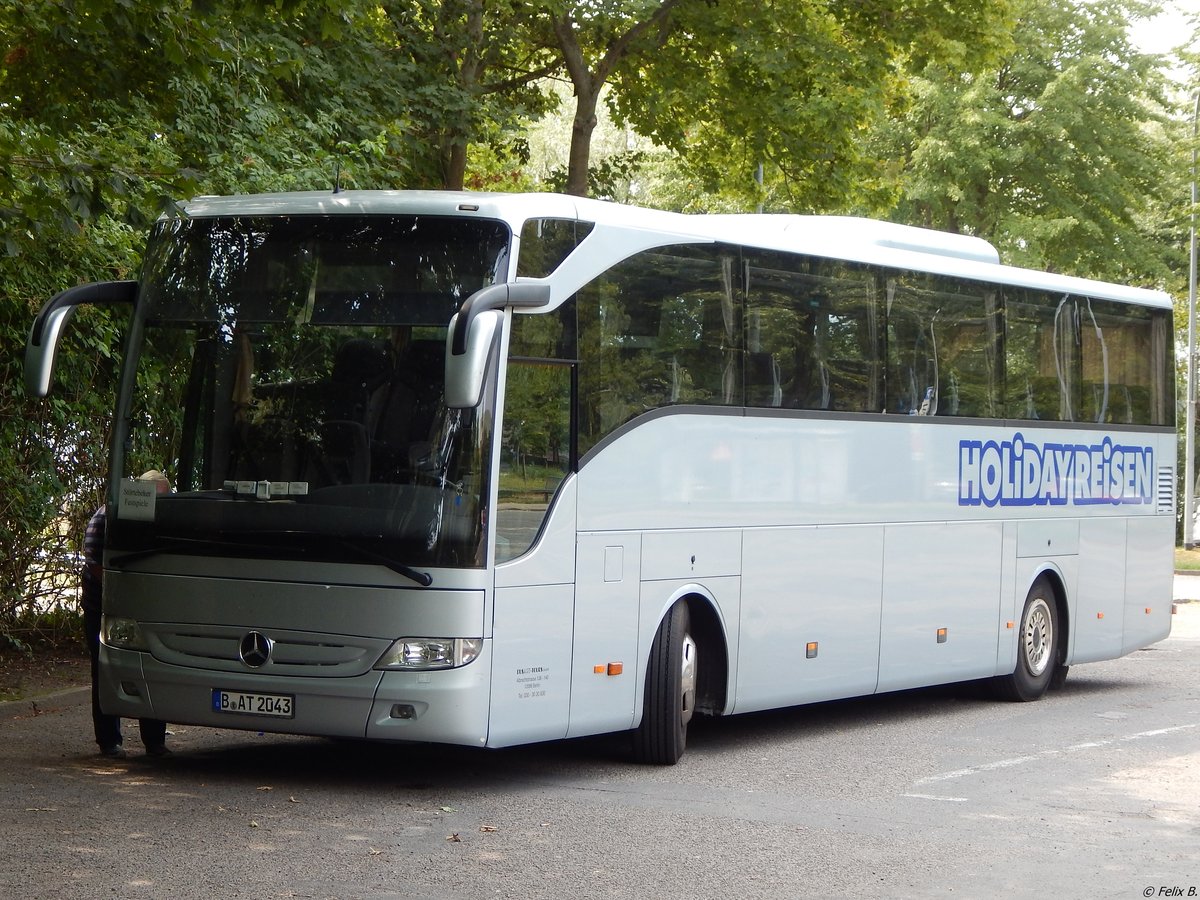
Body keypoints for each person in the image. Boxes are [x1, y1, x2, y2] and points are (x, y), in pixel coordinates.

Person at [82, 470, 171, 758]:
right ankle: (109, 741)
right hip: (103, 607)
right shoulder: (107, 515)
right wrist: (122, 590)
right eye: (157, 498)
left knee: (154, 669)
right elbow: (94, 561)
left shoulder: (162, 522)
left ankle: (155, 741)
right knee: (104, 669)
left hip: (146, 609)